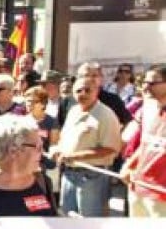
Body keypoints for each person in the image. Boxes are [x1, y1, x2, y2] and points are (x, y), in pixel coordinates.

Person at [52, 79, 122, 217]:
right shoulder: (73, 111)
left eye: (87, 90)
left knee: (90, 222)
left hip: (92, 176)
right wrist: (58, 150)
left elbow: (111, 148)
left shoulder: (106, 115)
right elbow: (64, 139)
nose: (83, 93)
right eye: (78, 90)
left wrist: (74, 156)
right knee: (67, 218)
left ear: (97, 91)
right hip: (69, 173)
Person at [119, 65, 166, 217]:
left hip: (160, 194)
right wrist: (129, 165)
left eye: (152, 83)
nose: (146, 87)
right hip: (139, 188)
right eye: (145, 82)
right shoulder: (152, 109)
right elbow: (146, 144)